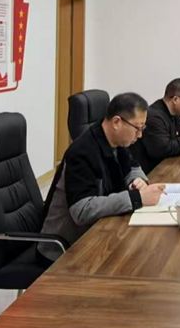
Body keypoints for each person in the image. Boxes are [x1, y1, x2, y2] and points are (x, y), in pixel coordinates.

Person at [39, 92, 166, 261]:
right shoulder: (82, 152)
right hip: (64, 249)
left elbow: (133, 166)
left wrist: (137, 180)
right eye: (138, 128)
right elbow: (81, 210)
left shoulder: (116, 141)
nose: (140, 135)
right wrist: (137, 198)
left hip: (98, 233)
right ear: (117, 122)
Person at [131, 78, 180, 173]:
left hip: (167, 166)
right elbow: (163, 149)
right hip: (152, 173)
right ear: (175, 99)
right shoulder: (154, 117)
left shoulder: (174, 114)